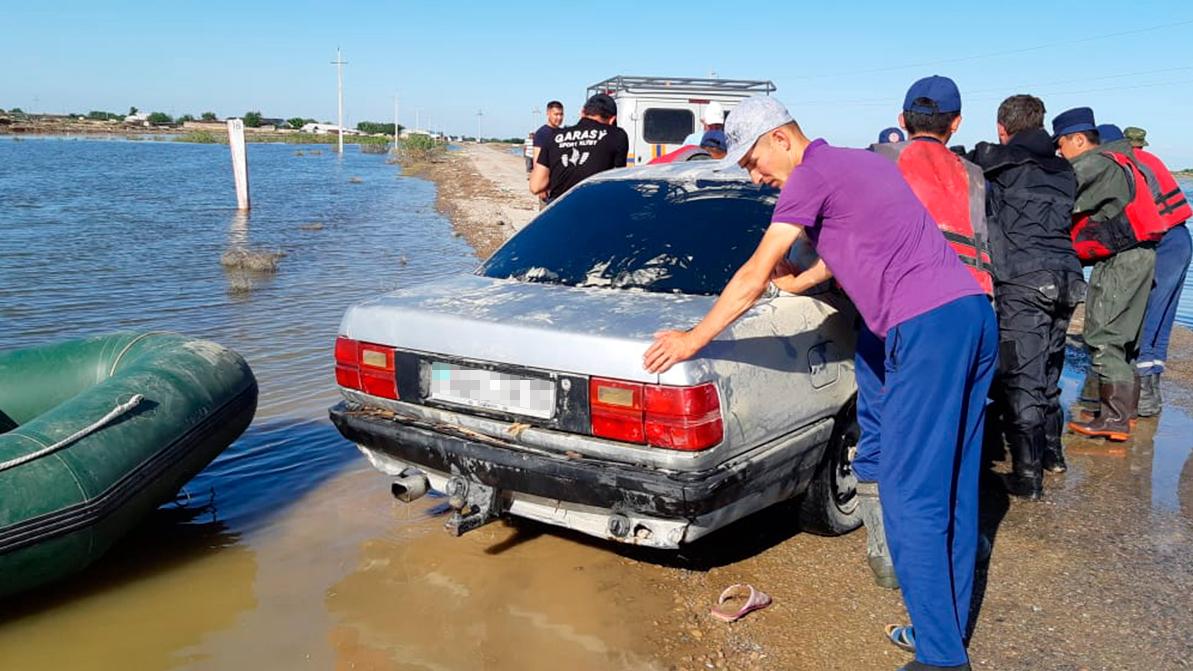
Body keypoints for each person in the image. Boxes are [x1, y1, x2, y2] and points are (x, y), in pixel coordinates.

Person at [643, 94, 996, 671]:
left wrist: (692, 339)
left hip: (926, 327)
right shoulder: (860, 164)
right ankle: (942, 631)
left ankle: (941, 659)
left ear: (781, 138)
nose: (754, 175)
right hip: (970, 314)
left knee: (910, 493)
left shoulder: (808, 175)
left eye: (753, 160)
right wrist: (799, 282)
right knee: (952, 485)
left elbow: (753, 272)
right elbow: (848, 252)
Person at [842, 76, 995, 588]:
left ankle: (888, 549)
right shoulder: (974, 175)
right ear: (957, 123)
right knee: (953, 433)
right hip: (969, 314)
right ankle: (956, 541)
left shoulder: (879, 160)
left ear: (902, 120)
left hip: (899, 312)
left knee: (880, 421)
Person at [967, 94, 1083, 498]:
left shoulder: (1001, 161)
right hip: (1067, 278)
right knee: (1049, 372)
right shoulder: (1064, 168)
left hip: (1024, 281)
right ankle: (1053, 455)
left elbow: (957, 164)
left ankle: (1028, 477)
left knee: (1023, 377)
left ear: (1003, 128)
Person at [1053, 108, 1158, 441]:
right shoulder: (1122, 160)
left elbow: (1059, 198)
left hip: (1121, 261)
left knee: (1104, 334)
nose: (1059, 153)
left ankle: (1114, 419)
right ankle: (1124, 413)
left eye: (1060, 145)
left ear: (1078, 139)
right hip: (1141, 256)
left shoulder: (1094, 164)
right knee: (1127, 338)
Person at [1124, 126, 1193, 415]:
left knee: (1146, 315)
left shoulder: (1129, 164)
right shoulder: (1153, 160)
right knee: (1164, 317)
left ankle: (1143, 395)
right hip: (1182, 238)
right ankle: (1153, 391)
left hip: (1161, 242)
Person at [529, 94, 629, 204]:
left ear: (582, 112)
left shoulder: (554, 136)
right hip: (594, 206)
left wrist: (559, 177)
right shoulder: (617, 135)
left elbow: (535, 186)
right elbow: (617, 181)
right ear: (612, 120)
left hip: (560, 207)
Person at [530, 101, 565, 190]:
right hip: (548, 182)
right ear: (548, 113)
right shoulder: (542, 133)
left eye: (561, 114)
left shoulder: (563, 133)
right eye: (556, 114)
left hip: (560, 181)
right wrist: (541, 186)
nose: (559, 118)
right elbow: (537, 160)